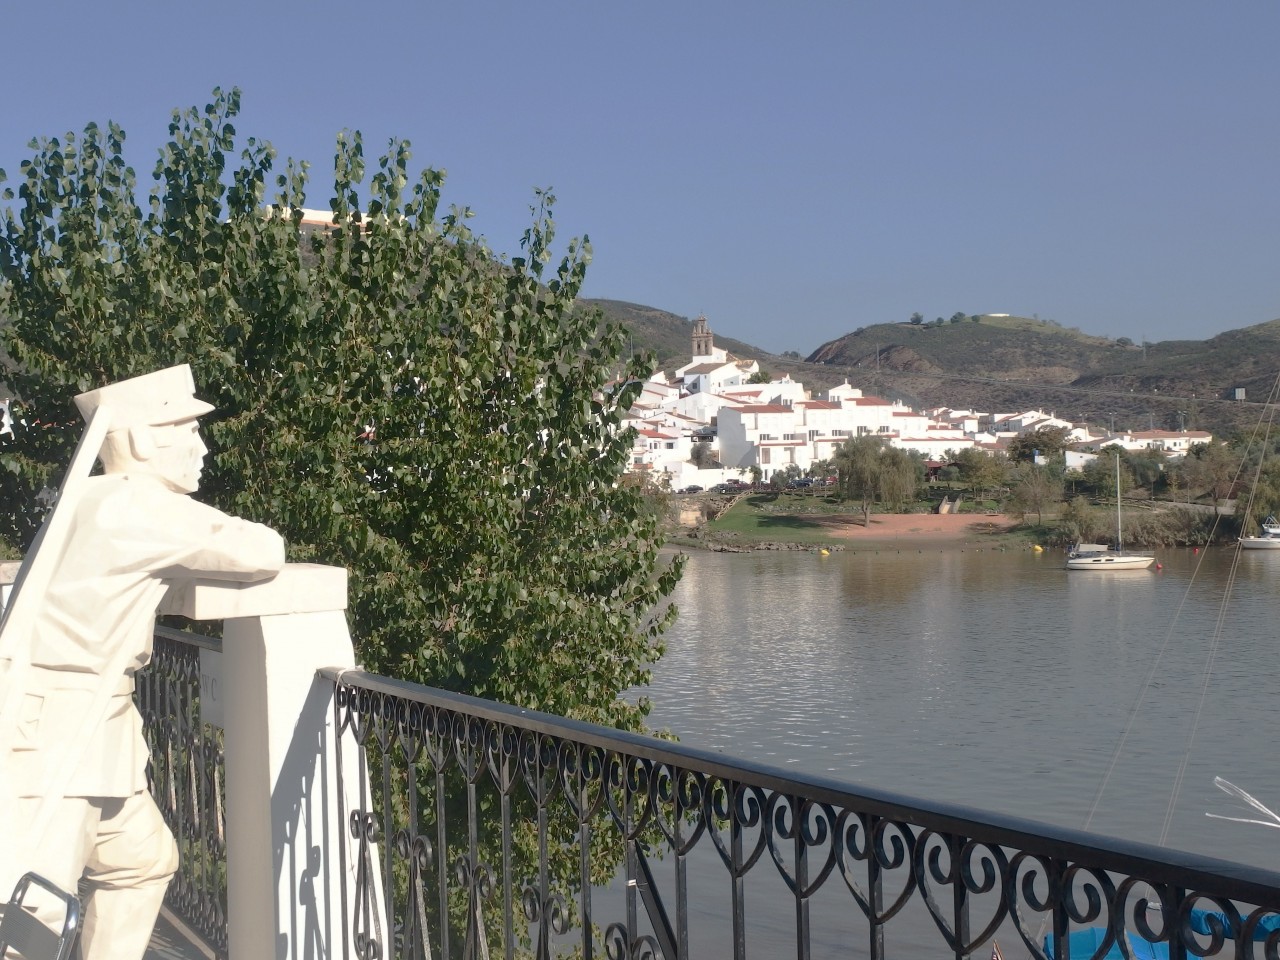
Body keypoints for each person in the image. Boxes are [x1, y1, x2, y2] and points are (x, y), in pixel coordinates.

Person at [0, 365, 285, 960]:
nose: (201, 447)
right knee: (34, 912)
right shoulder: (140, 508)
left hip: (87, 728)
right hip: (60, 735)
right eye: (187, 430)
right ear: (143, 440)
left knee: (142, 859)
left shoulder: (88, 499)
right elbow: (262, 550)